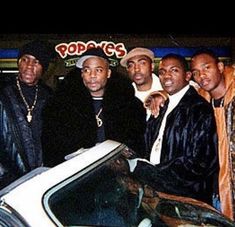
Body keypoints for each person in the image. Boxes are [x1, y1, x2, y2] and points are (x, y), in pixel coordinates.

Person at [119, 53, 219, 205]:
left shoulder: (199, 109)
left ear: (187, 75)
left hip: (186, 199)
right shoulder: (161, 105)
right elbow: (147, 143)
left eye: (174, 70)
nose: (166, 76)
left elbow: (199, 162)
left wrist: (150, 172)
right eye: (162, 72)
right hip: (158, 194)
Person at [42, 47, 146, 167]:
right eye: (87, 70)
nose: (92, 76)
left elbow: (137, 147)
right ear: (82, 74)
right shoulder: (62, 107)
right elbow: (53, 149)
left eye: (98, 70)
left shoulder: (129, 106)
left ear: (108, 73)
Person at [0, 40, 54, 189]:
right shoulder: (3, 94)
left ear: (44, 68)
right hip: (7, 184)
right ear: (19, 63)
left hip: (41, 182)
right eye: (25, 60)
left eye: (36, 61)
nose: (29, 66)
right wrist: (6, 178)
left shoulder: (49, 98)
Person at [190, 48, 235, 220]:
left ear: (221, 67)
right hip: (214, 191)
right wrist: (160, 95)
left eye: (206, 68)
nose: (201, 75)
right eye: (196, 72)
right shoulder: (199, 103)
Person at [120, 47, 162, 120]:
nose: (136, 69)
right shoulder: (124, 96)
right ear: (127, 70)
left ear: (152, 66)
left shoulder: (167, 89)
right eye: (131, 65)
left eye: (142, 63)